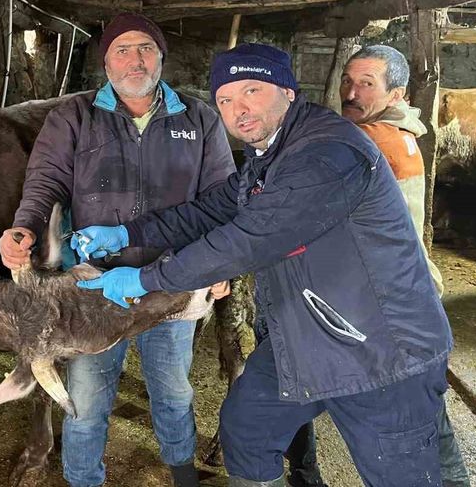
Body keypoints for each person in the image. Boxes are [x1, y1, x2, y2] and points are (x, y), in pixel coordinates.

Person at [71, 43, 453, 486]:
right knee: (248, 429)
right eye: (226, 100)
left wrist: (144, 278)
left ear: (288, 93)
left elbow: (244, 242)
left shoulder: (325, 154)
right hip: (309, 334)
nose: (239, 109)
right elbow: (213, 210)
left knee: (402, 474)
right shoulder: (272, 154)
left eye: (252, 90)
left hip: (380, 350)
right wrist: (128, 234)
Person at [0, 13, 236, 487]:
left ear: (161, 57)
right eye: (122, 50)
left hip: (173, 277)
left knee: (172, 388)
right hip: (93, 283)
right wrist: (23, 228)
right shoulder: (73, 116)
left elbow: (221, 196)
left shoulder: (200, 117)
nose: (135, 59)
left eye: (146, 48)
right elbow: (44, 181)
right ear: (105, 61)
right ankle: (84, 478)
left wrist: (218, 263)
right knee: (88, 394)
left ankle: (182, 470)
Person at [340, 44, 468, 486]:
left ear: (396, 94)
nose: (351, 92)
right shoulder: (406, 133)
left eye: (366, 84)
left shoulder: (372, 139)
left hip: (392, 298)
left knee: (405, 417)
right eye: (348, 81)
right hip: (411, 288)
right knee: (425, 408)